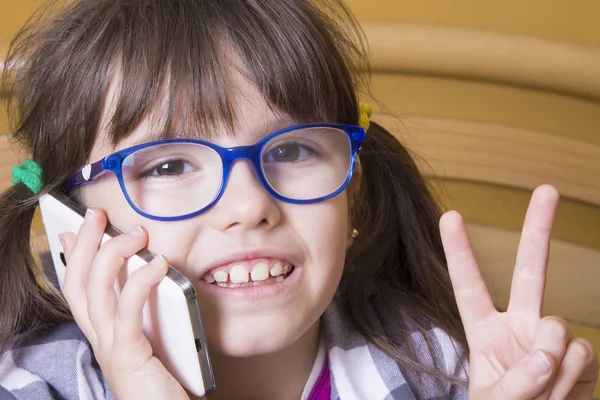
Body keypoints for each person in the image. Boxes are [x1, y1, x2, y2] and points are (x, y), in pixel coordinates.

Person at [0, 0, 597, 399]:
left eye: (291, 151)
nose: (248, 205)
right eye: (170, 164)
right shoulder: (29, 386)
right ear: (67, 223)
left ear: (352, 181)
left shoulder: (435, 369)